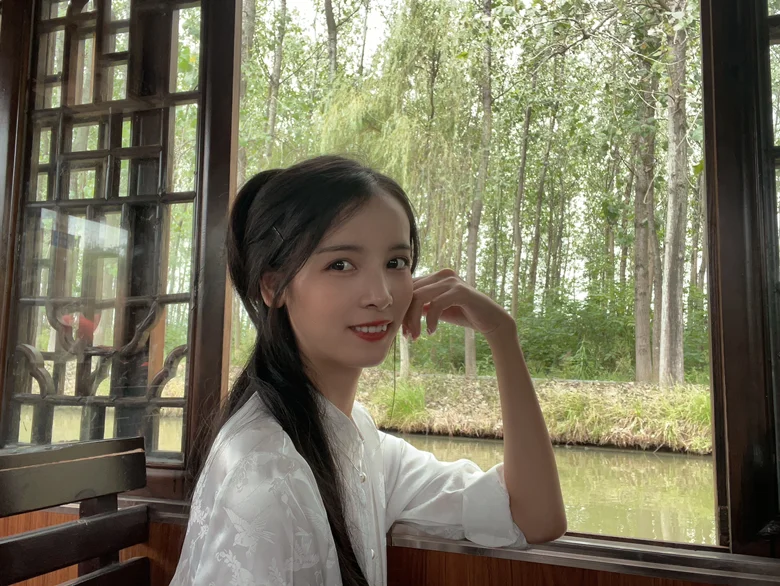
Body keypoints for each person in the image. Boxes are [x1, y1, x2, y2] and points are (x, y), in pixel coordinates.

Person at [170, 155, 566, 586]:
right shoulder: (268, 478)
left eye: (396, 263)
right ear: (272, 286)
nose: (380, 295)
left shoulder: (353, 437)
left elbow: (534, 517)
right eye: (341, 264)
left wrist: (502, 335)